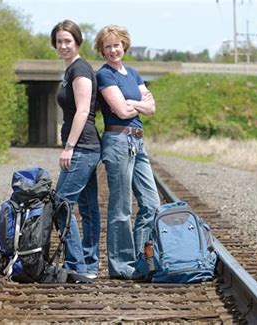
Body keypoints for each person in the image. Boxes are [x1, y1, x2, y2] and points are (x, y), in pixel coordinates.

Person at [94, 25, 160, 279]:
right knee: (121, 208)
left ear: (124, 46)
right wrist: (138, 104)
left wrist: (133, 103)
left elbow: (152, 108)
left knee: (151, 203)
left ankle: (141, 259)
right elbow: (121, 112)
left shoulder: (132, 73)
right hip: (118, 141)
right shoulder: (105, 76)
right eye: (107, 46)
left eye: (116, 45)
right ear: (102, 50)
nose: (113, 50)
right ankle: (122, 266)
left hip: (138, 142)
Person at [50, 20, 101, 279]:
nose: (63, 46)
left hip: (82, 147)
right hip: (87, 147)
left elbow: (83, 111)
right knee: (89, 207)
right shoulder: (71, 69)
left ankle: (77, 266)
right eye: (59, 41)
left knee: (61, 204)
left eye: (68, 41)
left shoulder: (79, 70)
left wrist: (69, 147)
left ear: (77, 42)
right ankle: (89, 266)